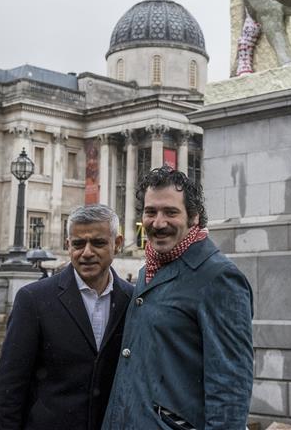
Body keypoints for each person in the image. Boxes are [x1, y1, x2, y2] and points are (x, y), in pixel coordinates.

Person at [100, 166, 254, 430]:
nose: (158, 223)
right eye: (151, 212)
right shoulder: (148, 269)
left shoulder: (219, 277)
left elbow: (231, 388)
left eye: (171, 212)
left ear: (194, 217)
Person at [0, 204, 133, 430]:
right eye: (78, 244)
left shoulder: (132, 300)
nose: (87, 252)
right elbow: (9, 388)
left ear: (117, 243)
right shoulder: (33, 299)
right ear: (68, 246)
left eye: (98, 243)